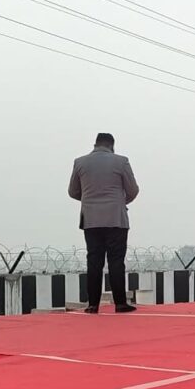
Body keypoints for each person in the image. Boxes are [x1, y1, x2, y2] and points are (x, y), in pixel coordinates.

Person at [68, 133, 139, 314]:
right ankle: (120, 303)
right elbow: (133, 190)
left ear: (95, 144)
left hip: (91, 220)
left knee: (94, 261)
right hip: (116, 219)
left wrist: (90, 200)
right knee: (116, 261)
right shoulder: (121, 161)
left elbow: (73, 191)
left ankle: (93, 305)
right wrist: (120, 202)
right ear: (112, 146)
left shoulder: (80, 162)